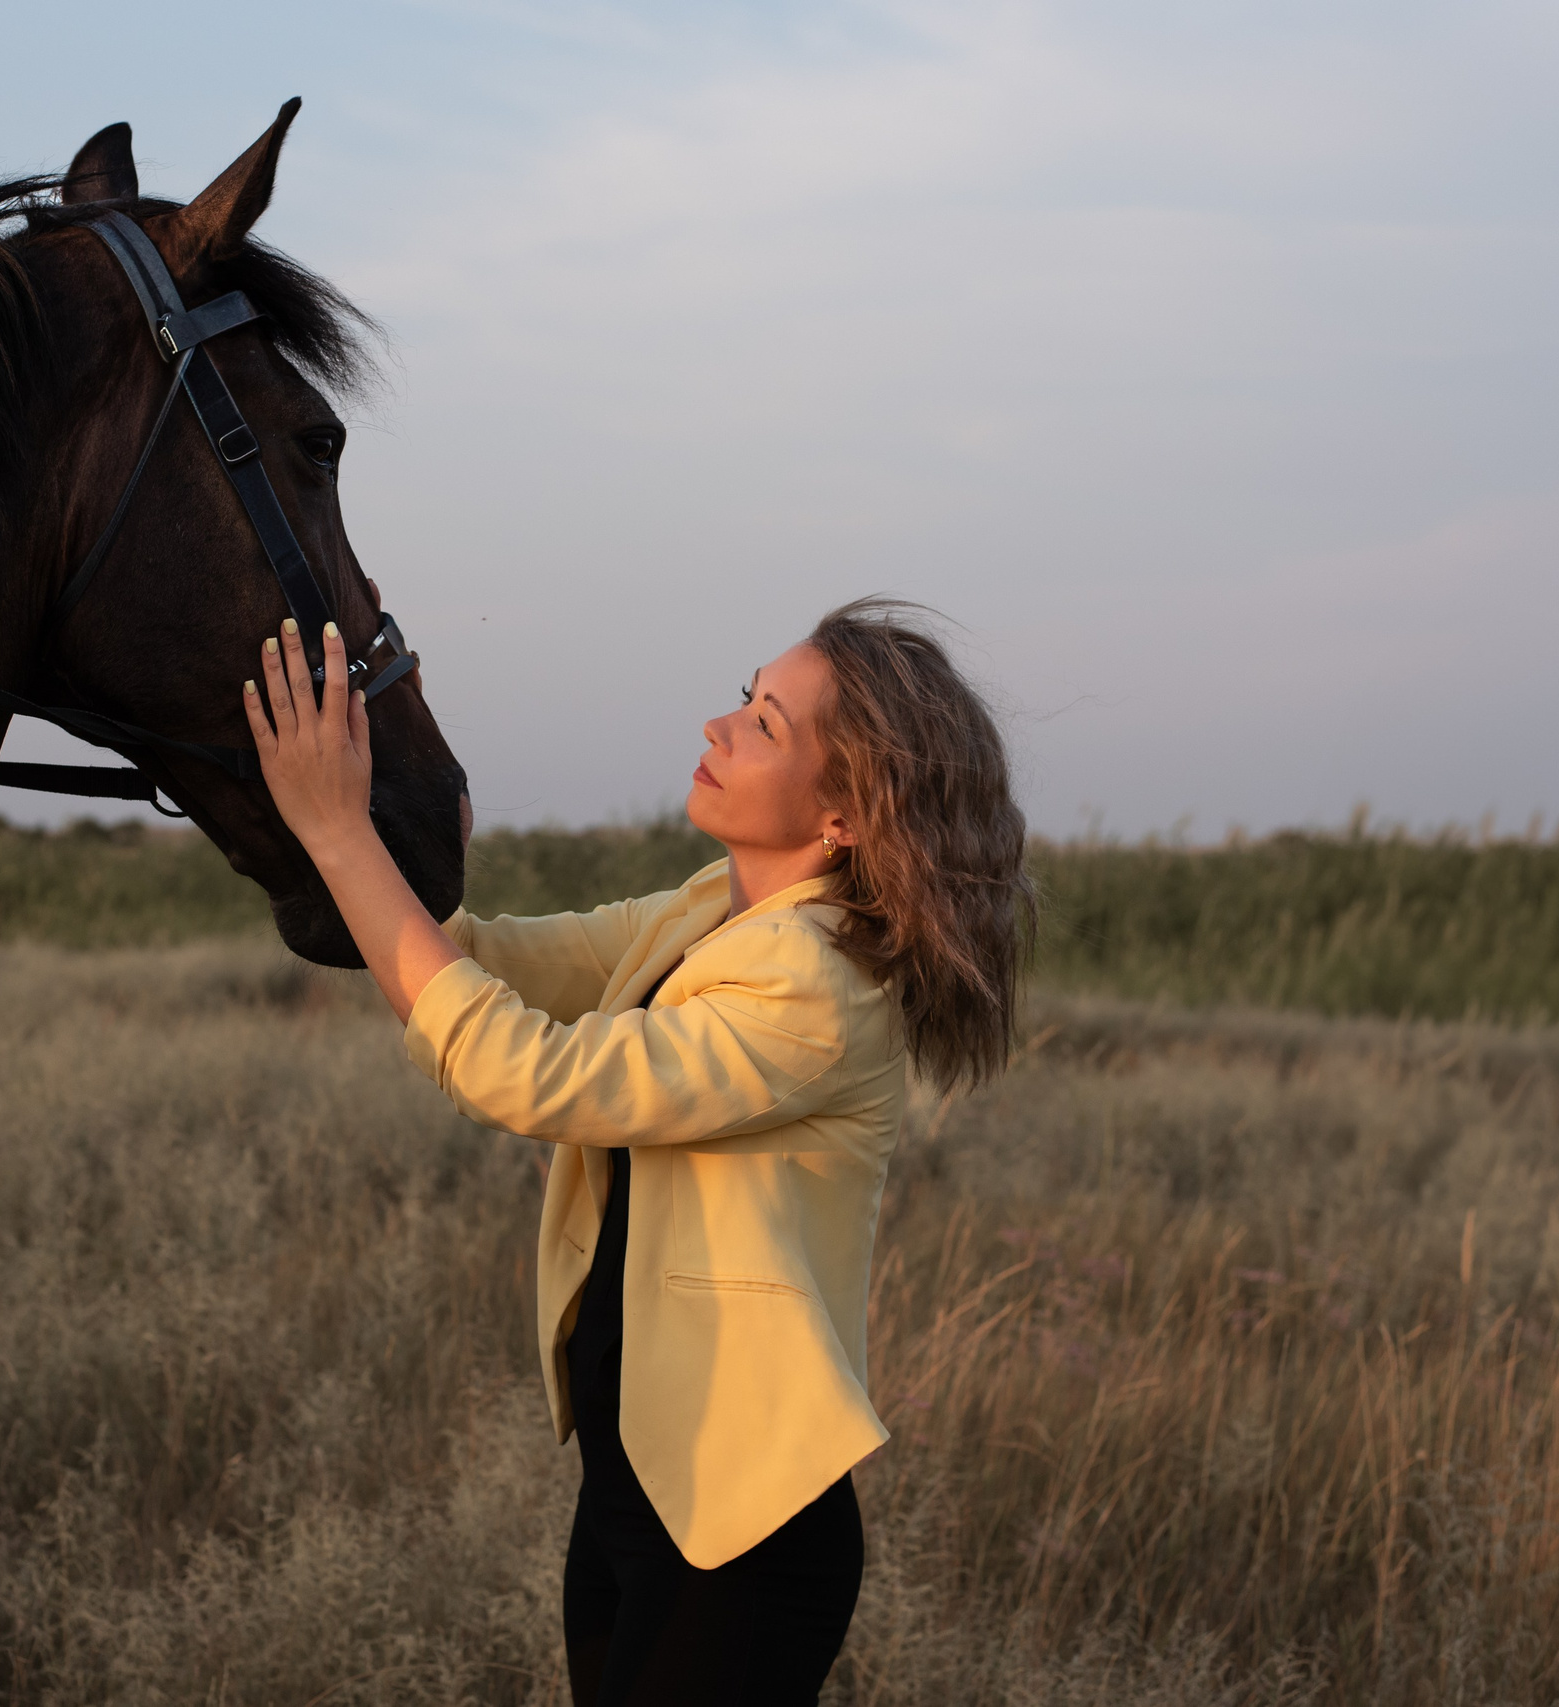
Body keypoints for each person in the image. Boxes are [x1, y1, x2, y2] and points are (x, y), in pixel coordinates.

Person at [242, 597, 1032, 1706]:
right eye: (743, 694)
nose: (717, 725)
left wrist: (339, 835)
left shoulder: (819, 985)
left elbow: (524, 1072)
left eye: (764, 723)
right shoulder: (720, 909)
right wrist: (378, 844)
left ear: (850, 811)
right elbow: (491, 965)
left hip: (740, 1540)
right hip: (636, 1485)